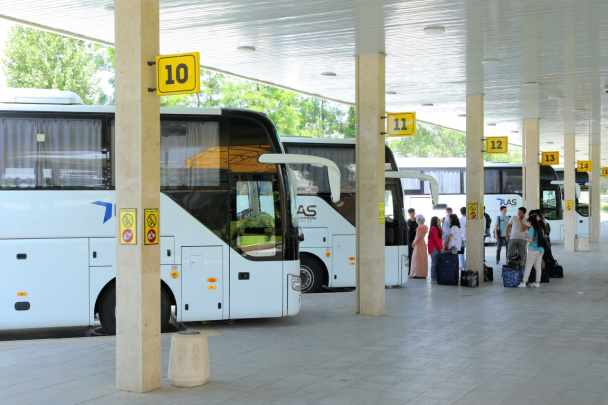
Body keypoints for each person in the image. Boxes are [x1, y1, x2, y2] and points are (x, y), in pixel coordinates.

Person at [518, 214, 545, 288]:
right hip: (541, 250)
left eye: (529, 221)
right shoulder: (541, 229)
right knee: (538, 266)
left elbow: (530, 240)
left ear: (531, 222)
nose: (528, 223)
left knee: (528, 266)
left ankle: (523, 282)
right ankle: (537, 282)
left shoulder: (532, 229)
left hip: (533, 250)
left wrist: (526, 238)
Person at [406, 208, 418, 272]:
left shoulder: (417, 222)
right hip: (409, 241)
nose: (411, 214)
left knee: (415, 256)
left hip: (416, 241)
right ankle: (409, 270)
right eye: (410, 213)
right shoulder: (407, 222)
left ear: (414, 213)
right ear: (408, 214)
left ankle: (415, 270)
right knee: (409, 256)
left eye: (412, 213)